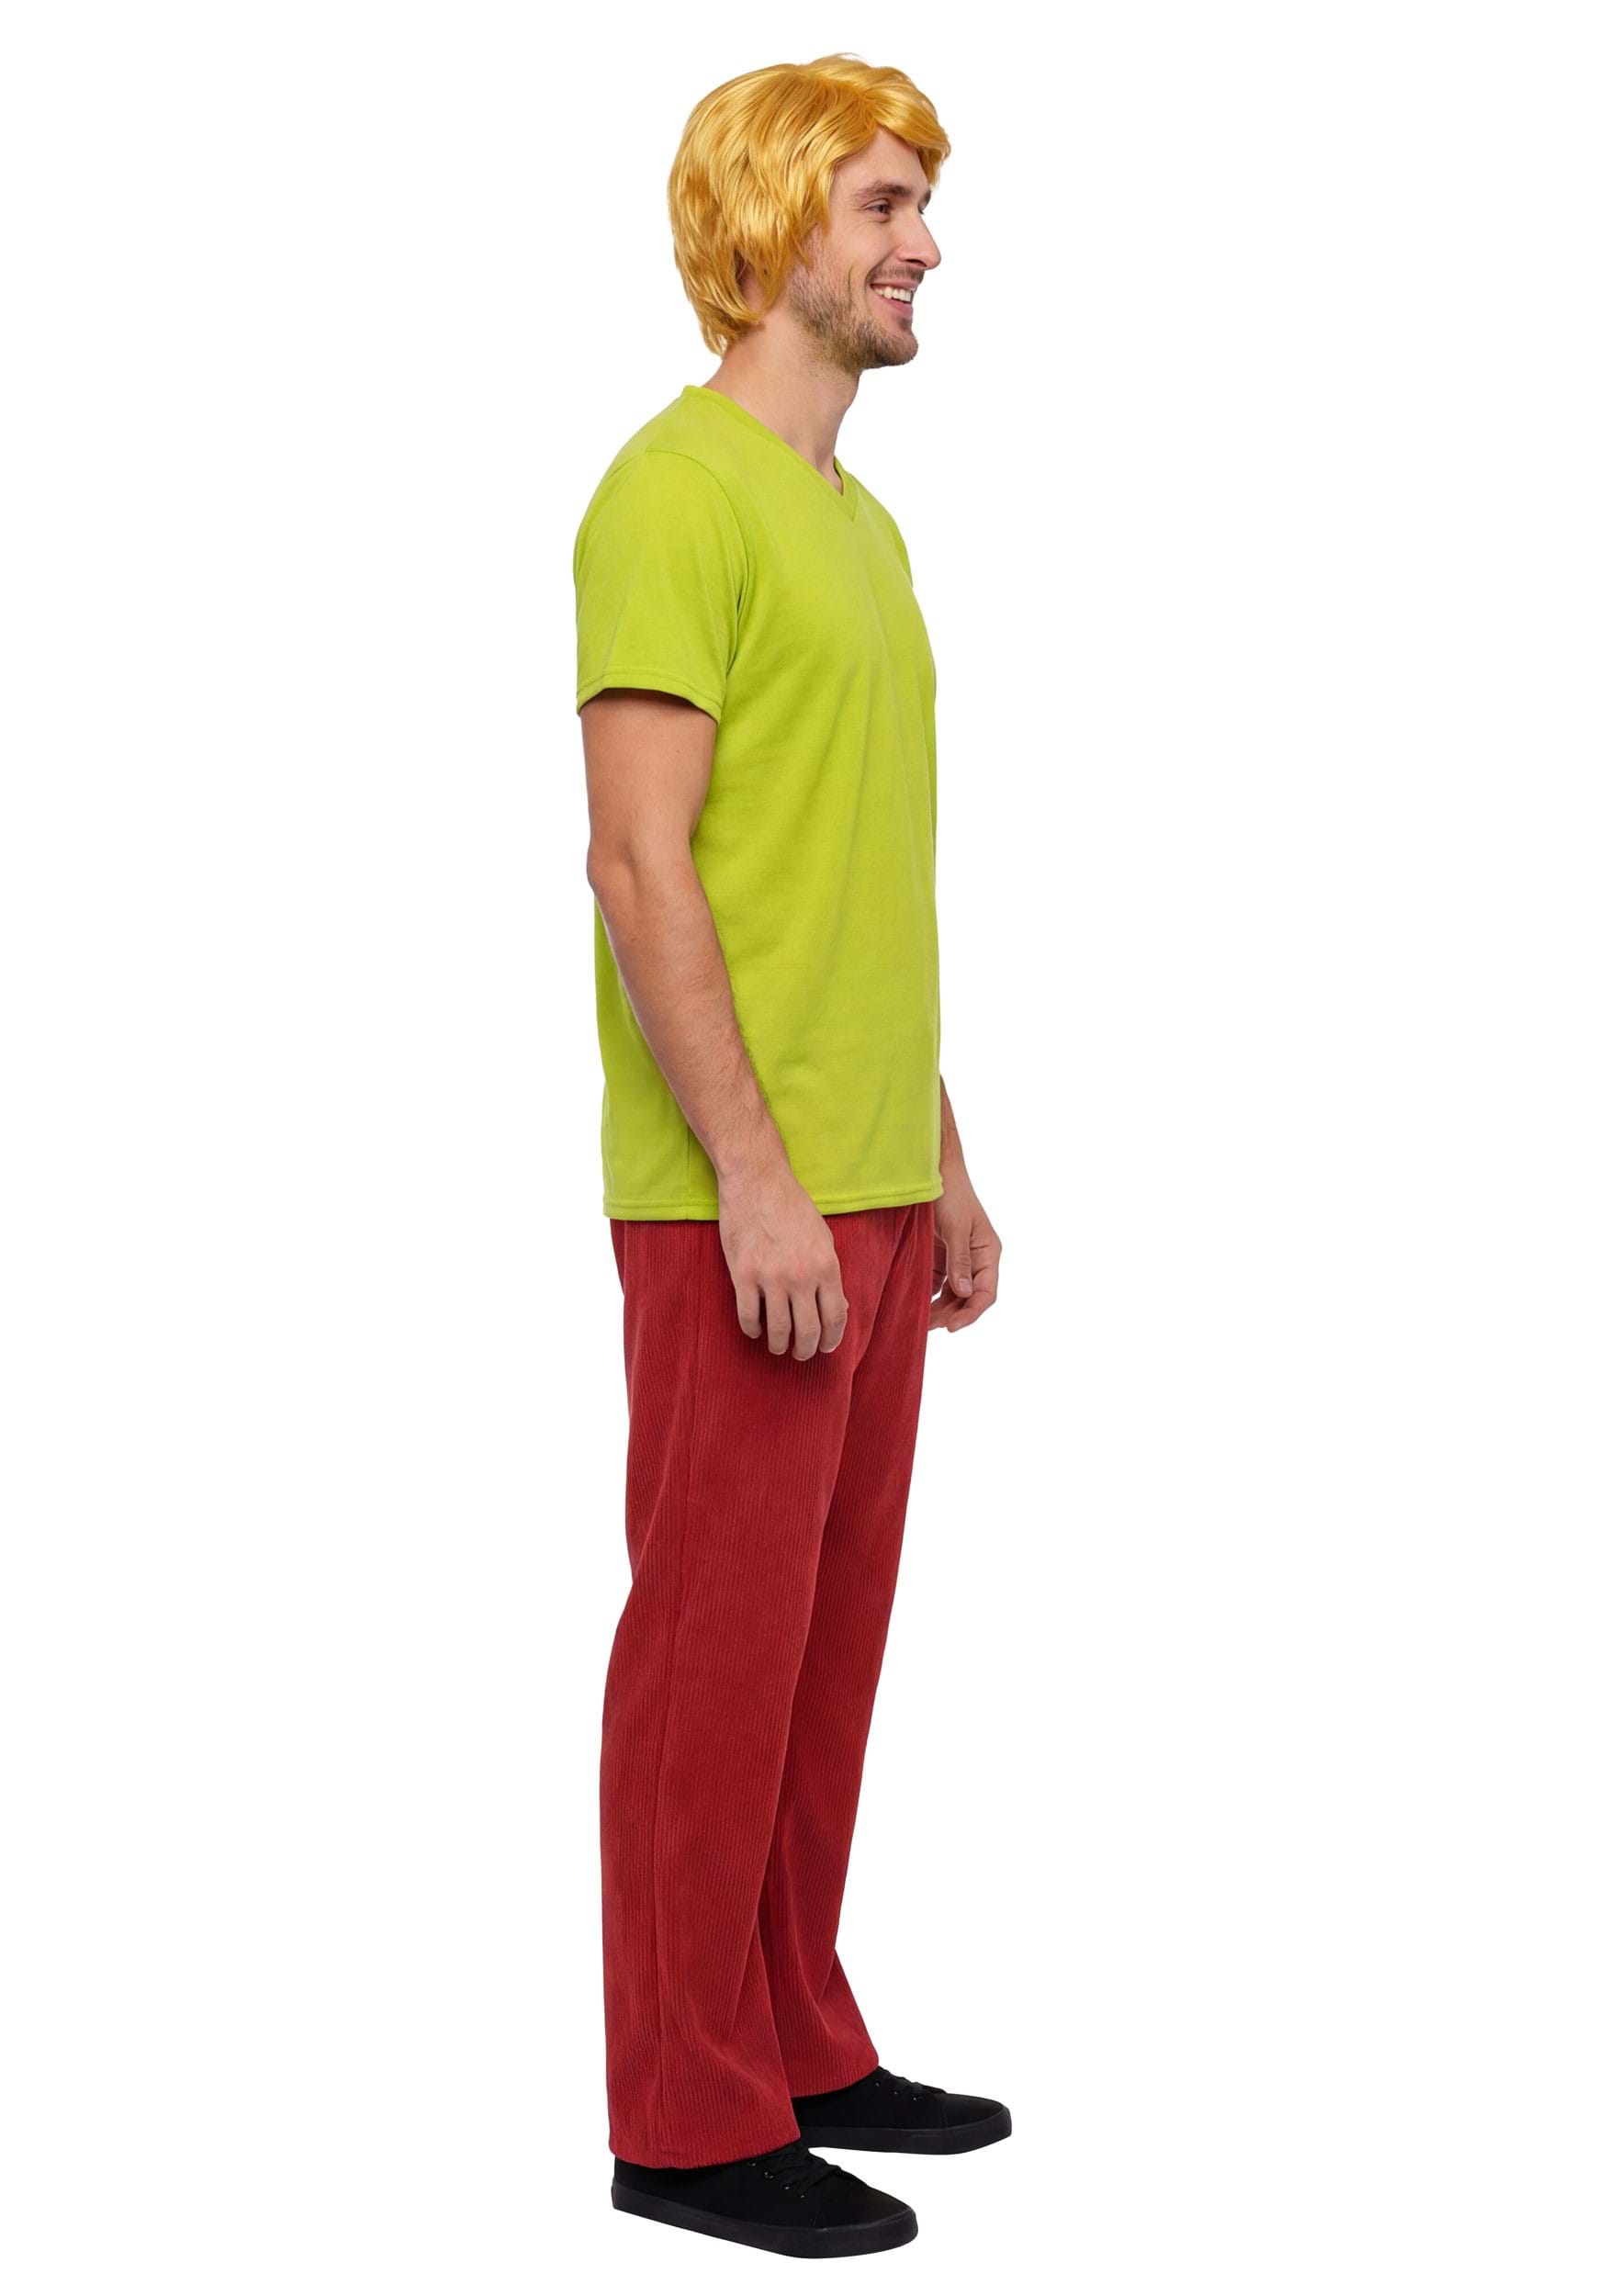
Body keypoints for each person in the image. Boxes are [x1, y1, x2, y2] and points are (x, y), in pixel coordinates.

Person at [572, 53, 1006, 2260]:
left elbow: (846, 865)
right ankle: (683, 2111)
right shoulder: (673, 497)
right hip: (735, 1196)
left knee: (823, 1657)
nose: (922, 243)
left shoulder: (860, 527)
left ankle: (795, 2037)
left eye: (919, 204)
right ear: (769, 225)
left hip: (866, 1176)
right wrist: (751, 1171)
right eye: (881, 205)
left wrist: (932, 1148)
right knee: (712, 1655)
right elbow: (640, 865)